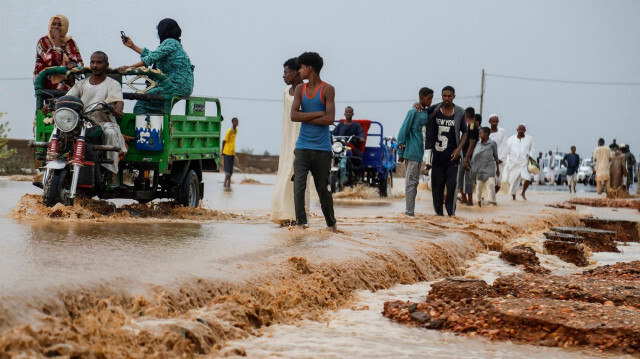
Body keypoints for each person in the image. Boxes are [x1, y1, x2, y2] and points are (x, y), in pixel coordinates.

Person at [290, 52, 337, 232]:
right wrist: (319, 113)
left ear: (310, 68)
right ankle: (301, 224)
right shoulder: (300, 89)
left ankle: (331, 225)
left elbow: (330, 119)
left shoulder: (327, 89)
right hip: (302, 147)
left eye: (301, 67)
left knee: (323, 190)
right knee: (299, 186)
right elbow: (294, 115)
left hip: (323, 149)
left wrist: (305, 116)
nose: (299, 71)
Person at [64, 52, 125, 185]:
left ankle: (112, 172)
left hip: (104, 123)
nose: (95, 65)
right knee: (63, 130)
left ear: (106, 65)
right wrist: (53, 105)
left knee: (111, 133)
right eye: (92, 62)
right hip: (83, 122)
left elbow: (118, 100)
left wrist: (118, 109)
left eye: (99, 62)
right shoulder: (81, 84)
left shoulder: (113, 84)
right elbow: (68, 98)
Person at [120, 18, 194, 114]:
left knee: (142, 104)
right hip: (179, 86)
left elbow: (151, 58)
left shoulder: (170, 42)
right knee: (158, 109)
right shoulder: (175, 44)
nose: (157, 31)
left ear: (164, 29)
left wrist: (129, 67)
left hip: (175, 85)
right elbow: (152, 55)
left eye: (158, 28)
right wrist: (132, 46)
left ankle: (141, 128)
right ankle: (156, 127)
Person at [270, 57, 310, 225]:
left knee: (299, 179)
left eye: (286, 72)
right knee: (284, 177)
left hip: (303, 140)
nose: (283, 76)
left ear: (295, 73)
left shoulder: (309, 91)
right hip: (288, 140)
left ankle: (300, 215)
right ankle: (284, 214)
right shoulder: (286, 92)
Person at [424, 86, 468, 216]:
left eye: (449, 96)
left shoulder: (459, 112)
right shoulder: (435, 109)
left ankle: (451, 213)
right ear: (441, 96)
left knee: (452, 186)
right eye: (444, 96)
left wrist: (458, 149)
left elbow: (465, 132)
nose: (446, 98)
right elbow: (423, 112)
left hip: (452, 157)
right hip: (437, 155)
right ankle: (438, 214)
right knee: (437, 187)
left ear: (454, 96)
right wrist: (417, 105)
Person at [397, 87, 433, 216]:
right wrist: (400, 154)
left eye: (432, 99)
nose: (431, 101)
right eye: (429, 98)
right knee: (411, 182)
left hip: (419, 153)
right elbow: (402, 132)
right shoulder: (413, 112)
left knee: (415, 182)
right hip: (411, 152)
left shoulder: (425, 112)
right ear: (421, 97)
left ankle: (411, 211)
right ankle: (409, 212)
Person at [34, 14, 83, 90]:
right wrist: (56, 39)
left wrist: (74, 65)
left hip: (68, 81)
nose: (56, 27)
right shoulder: (43, 41)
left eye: (60, 25)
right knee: (71, 93)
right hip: (47, 80)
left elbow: (80, 62)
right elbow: (55, 62)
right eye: (54, 24)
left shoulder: (71, 42)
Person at [504, 124, 535, 200]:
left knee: (528, 178)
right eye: (519, 129)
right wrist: (507, 161)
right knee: (514, 181)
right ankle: (514, 198)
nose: (521, 131)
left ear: (525, 130)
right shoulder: (511, 139)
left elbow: (532, 149)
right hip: (514, 163)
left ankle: (523, 192)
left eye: (522, 129)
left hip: (525, 162)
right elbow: (506, 151)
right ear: (517, 130)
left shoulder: (529, 138)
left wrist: (530, 156)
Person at [472, 127, 500, 206]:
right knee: (479, 185)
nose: (479, 134)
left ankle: (492, 202)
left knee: (491, 184)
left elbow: (496, 157)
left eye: (481, 133)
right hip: (479, 167)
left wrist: (498, 169)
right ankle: (479, 201)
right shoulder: (477, 144)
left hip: (489, 167)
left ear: (486, 134)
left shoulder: (492, 143)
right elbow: (474, 156)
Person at [456, 108, 478, 206]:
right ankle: (464, 198)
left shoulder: (472, 127)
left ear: (466, 116)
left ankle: (470, 200)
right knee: (460, 178)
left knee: (468, 179)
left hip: (468, 157)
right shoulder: (469, 126)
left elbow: (472, 143)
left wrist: (466, 159)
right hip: (464, 156)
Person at [488, 114, 507, 193]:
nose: (494, 123)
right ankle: (489, 198)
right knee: (490, 181)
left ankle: (493, 196)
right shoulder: (486, 132)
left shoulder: (502, 131)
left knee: (498, 183)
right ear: (489, 122)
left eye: (496, 121)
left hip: (500, 160)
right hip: (489, 160)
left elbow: (504, 145)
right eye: (493, 121)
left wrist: (501, 158)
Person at [221, 118, 238, 188]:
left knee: (230, 169)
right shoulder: (230, 130)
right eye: (235, 121)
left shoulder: (236, 130)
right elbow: (224, 141)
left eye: (237, 121)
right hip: (227, 152)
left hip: (232, 152)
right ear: (232, 122)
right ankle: (225, 183)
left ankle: (228, 183)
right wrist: (222, 151)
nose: (237, 123)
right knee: (227, 169)